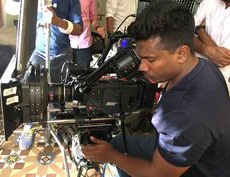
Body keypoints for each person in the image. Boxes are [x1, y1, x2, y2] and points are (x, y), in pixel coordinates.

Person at [81, 1, 230, 177]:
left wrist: (110, 156)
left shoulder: (184, 116)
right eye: (140, 57)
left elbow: (158, 174)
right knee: (119, 143)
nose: (142, 66)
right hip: (191, 149)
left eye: (150, 60)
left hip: (197, 171)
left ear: (181, 53)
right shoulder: (204, 66)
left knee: (116, 151)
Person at [5, 0, 83, 150]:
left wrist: (58, 21)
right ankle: (30, 125)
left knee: (56, 95)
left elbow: (79, 28)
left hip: (61, 55)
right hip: (36, 52)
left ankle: (54, 124)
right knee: (30, 92)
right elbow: (9, 7)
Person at [194, 0, 230, 94]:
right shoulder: (208, 2)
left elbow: (222, 58)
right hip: (192, 72)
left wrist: (200, 31)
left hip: (221, 84)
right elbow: (185, 35)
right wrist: (205, 49)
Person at [69, 0, 106, 69]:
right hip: (67, 42)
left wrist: (97, 27)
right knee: (66, 74)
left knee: (83, 73)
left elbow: (93, 16)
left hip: (84, 41)